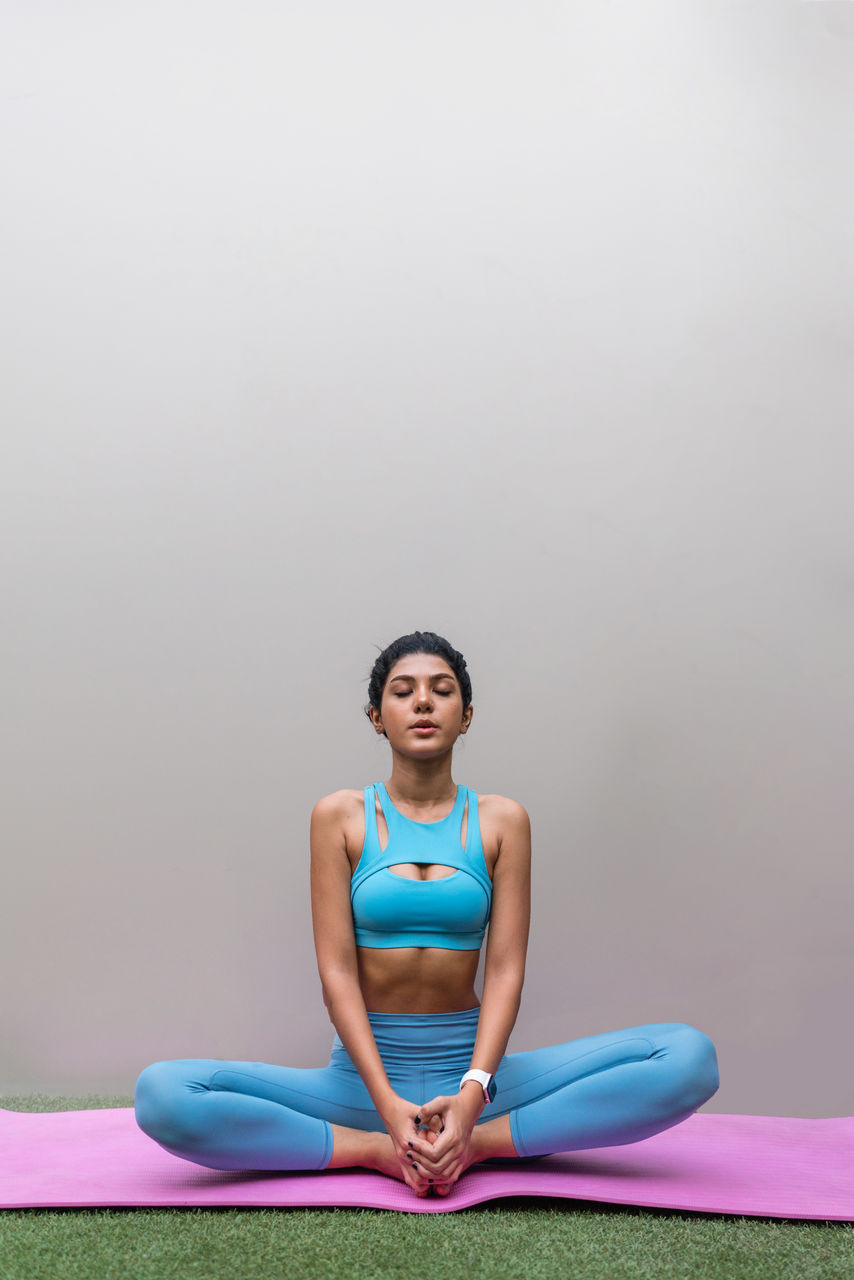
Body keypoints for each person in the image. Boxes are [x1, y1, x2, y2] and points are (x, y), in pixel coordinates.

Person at [134, 630, 719, 1198]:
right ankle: (370, 1151)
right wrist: (386, 1113)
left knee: (688, 1057)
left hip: (478, 1081)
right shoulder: (339, 817)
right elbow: (336, 973)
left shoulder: (501, 820)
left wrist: (471, 1102)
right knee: (163, 1092)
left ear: (466, 715)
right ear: (375, 715)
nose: (422, 701)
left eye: (442, 689)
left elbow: (506, 972)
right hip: (360, 1088)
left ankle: (481, 1146)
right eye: (402, 689)